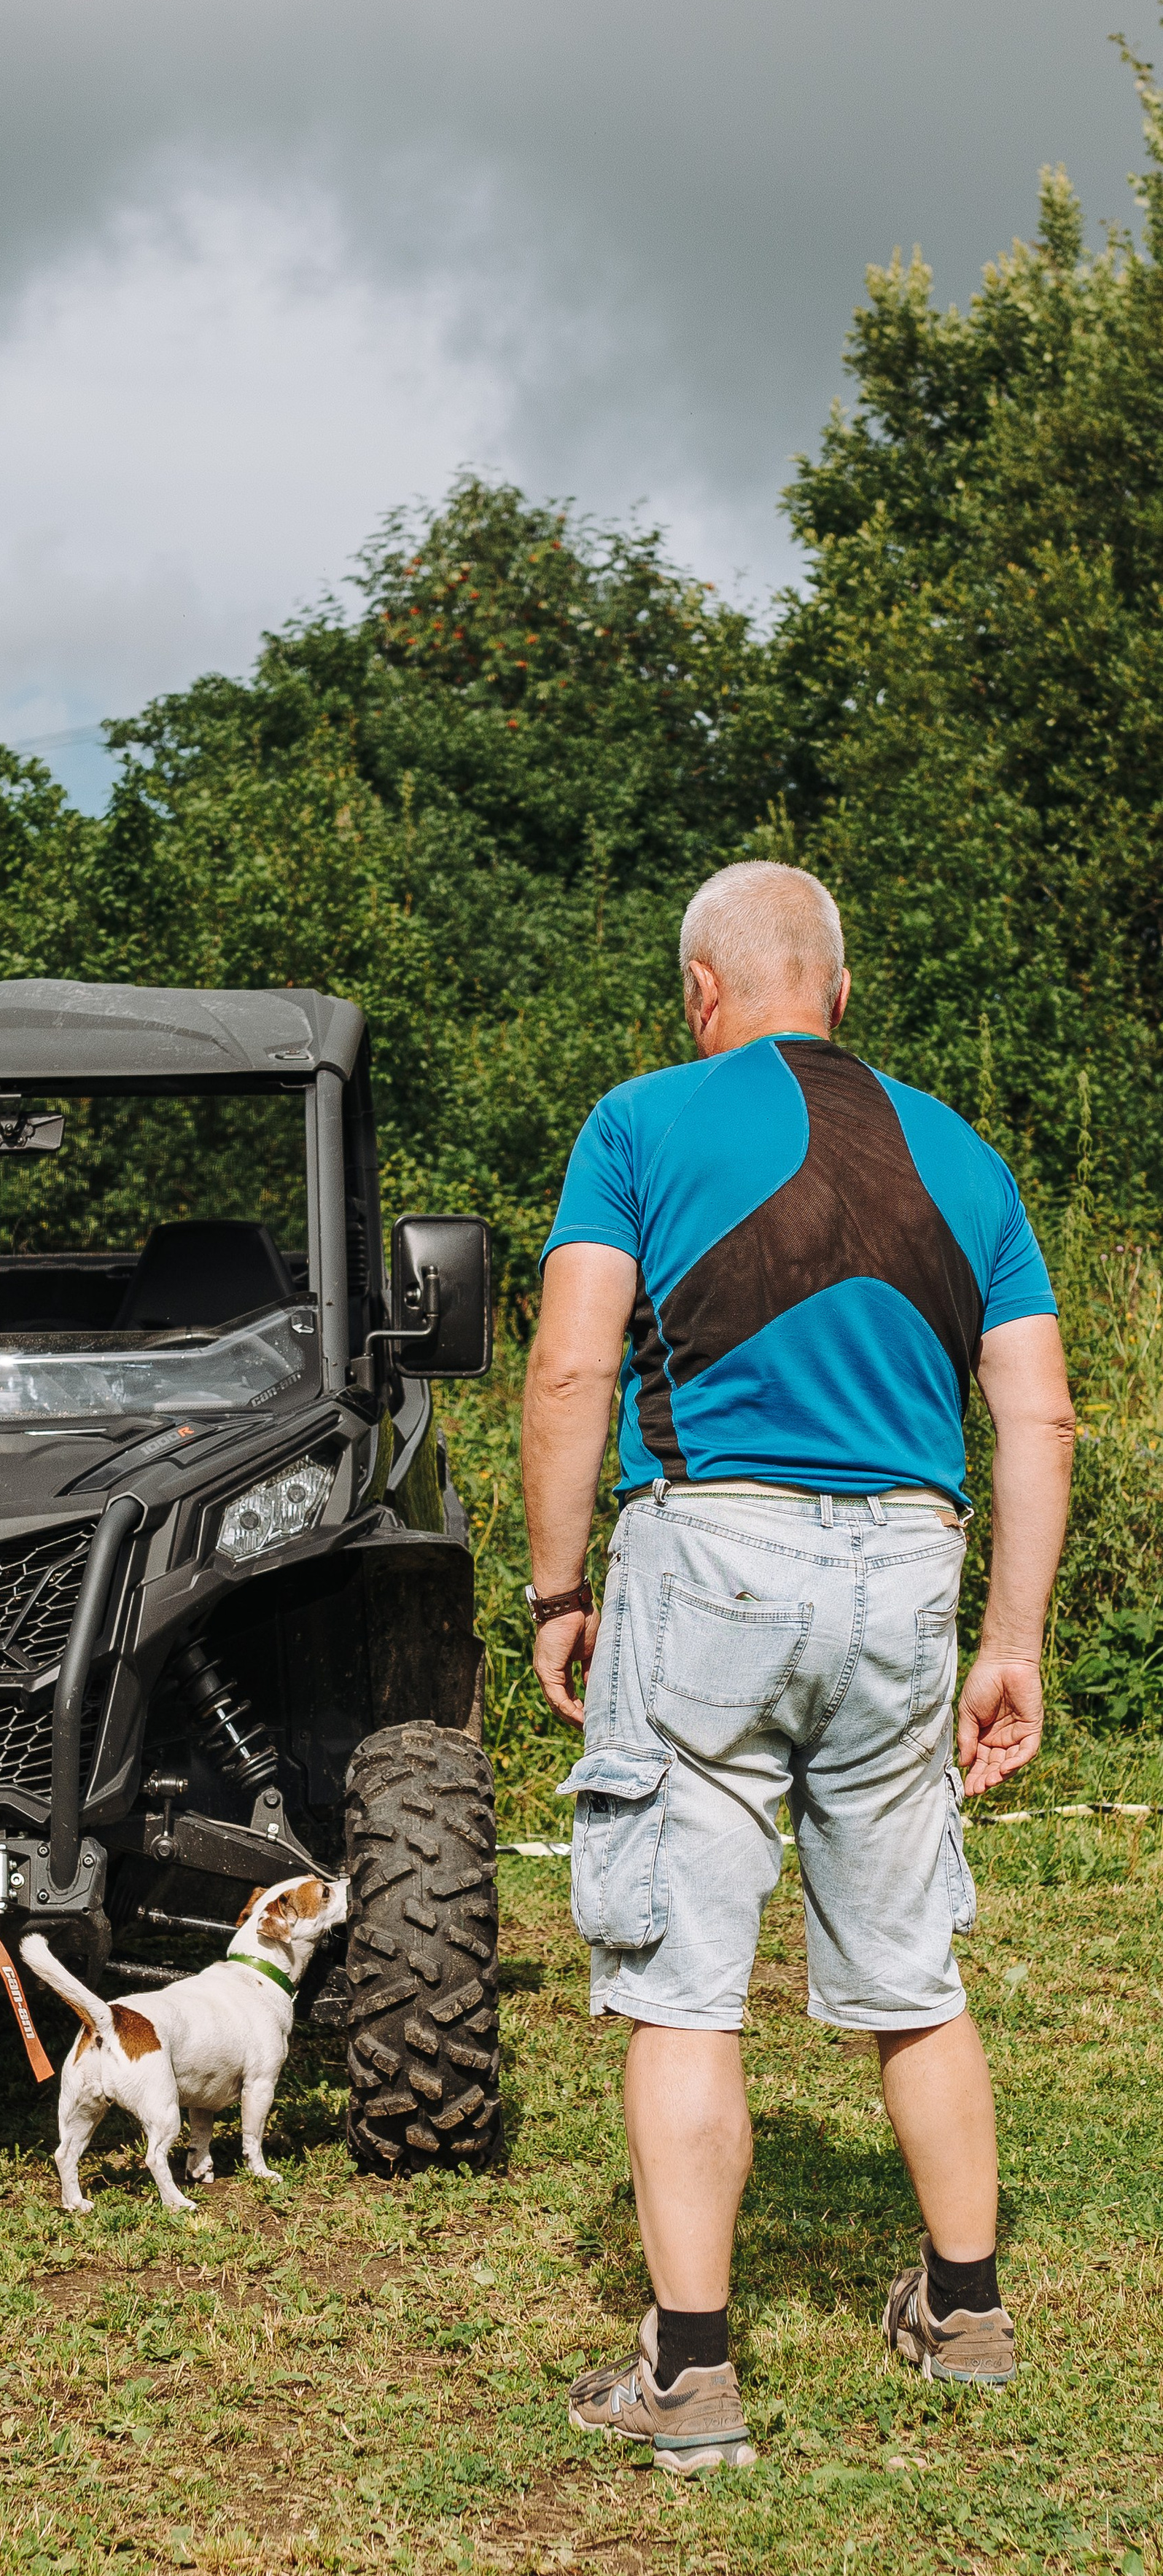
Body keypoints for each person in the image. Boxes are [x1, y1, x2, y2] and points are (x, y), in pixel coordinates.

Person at [520, 860, 1073, 2476]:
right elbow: (1033, 1413)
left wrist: (558, 1583)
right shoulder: (962, 1152)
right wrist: (1011, 1640)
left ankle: (688, 2374)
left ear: (701, 991)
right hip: (907, 1563)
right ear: (837, 991)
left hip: (709, 1560)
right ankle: (961, 2310)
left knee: (684, 1977)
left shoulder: (637, 1121)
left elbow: (569, 1364)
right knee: (911, 1962)